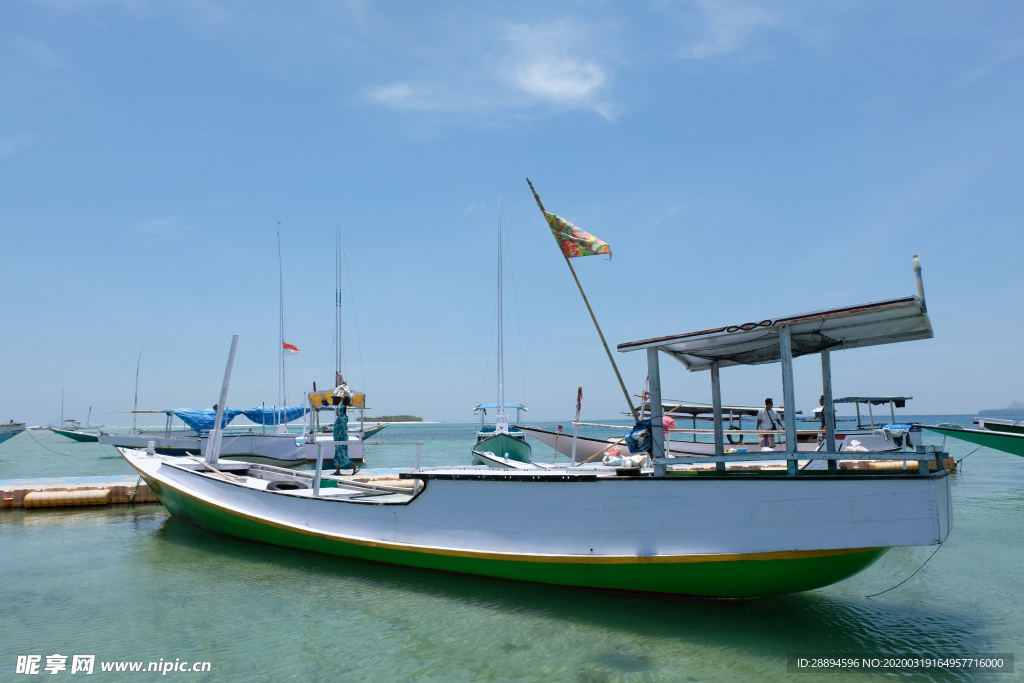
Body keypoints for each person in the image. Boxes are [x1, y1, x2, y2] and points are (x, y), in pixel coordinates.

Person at [333, 395, 358, 475]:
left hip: (342, 439)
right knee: (337, 454)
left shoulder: (343, 417)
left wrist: (341, 401)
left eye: (337, 411)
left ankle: (354, 466)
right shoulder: (339, 418)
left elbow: (341, 409)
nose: (336, 412)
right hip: (338, 439)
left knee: (343, 455)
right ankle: (338, 470)